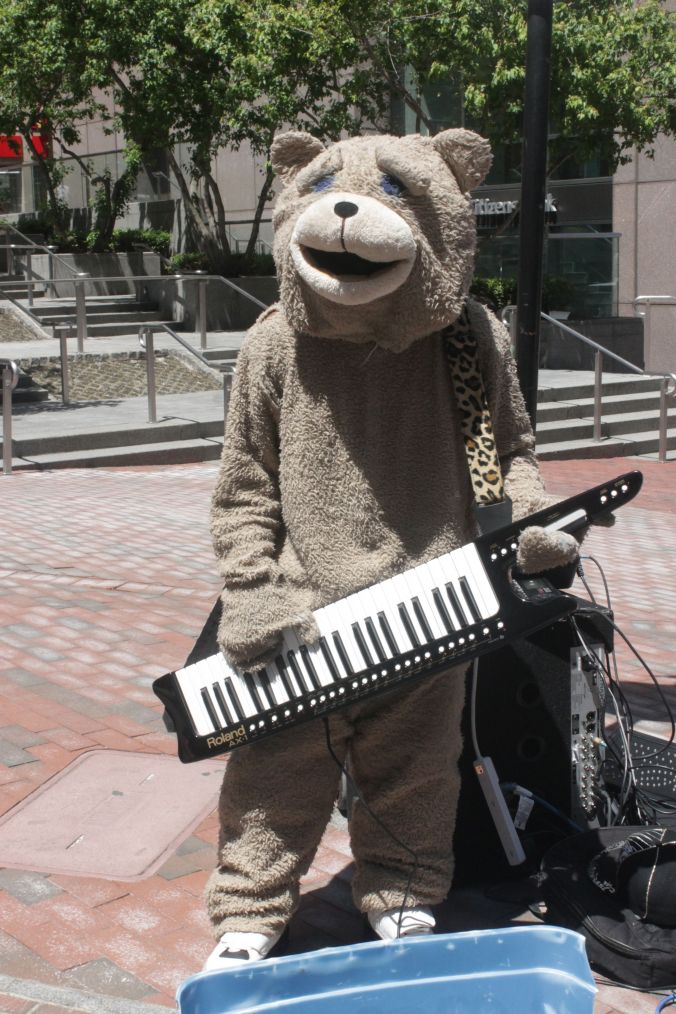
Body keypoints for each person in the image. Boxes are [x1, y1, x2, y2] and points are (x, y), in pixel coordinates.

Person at [203, 128, 581, 970]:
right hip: (301, 616)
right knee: (274, 773)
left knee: (416, 770)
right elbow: (244, 485)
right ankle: (250, 907)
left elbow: (512, 454)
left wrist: (531, 520)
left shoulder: (469, 337)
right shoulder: (274, 342)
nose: (346, 213)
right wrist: (252, 587)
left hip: (432, 598)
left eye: (399, 194)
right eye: (323, 189)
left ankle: (403, 893)